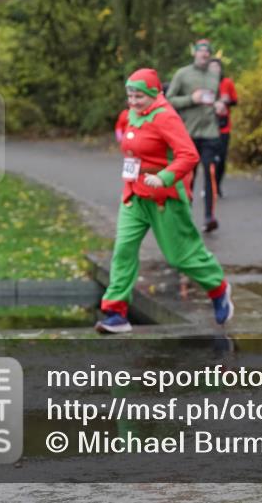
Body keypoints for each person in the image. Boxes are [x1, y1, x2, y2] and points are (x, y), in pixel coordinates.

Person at [97, 68, 233, 334]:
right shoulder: (133, 114)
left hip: (164, 197)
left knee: (180, 256)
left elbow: (189, 155)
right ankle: (116, 312)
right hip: (135, 195)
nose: (133, 102)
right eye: (130, 96)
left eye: (139, 97)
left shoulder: (166, 116)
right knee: (123, 249)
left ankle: (218, 289)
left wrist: (164, 177)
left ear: (153, 94)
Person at [165, 39, 226, 232]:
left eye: (207, 52)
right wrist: (192, 99)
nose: (204, 55)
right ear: (195, 53)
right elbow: (169, 100)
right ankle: (186, 217)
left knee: (211, 175)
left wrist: (218, 105)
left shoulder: (214, 75)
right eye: (201, 52)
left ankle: (209, 217)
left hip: (210, 133)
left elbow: (215, 99)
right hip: (188, 134)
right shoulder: (182, 74)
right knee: (188, 178)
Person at [209, 58, 237, 198]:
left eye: (217, 67)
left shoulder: (227, 82)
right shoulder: (204, 82)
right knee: (209, 159)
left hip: (224, 127)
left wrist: (226, 101)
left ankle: (217, 184)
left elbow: (235, 101)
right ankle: (209, 187)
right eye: (212, 67)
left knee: (221, 159)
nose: (214, 69)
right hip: (207, 127)